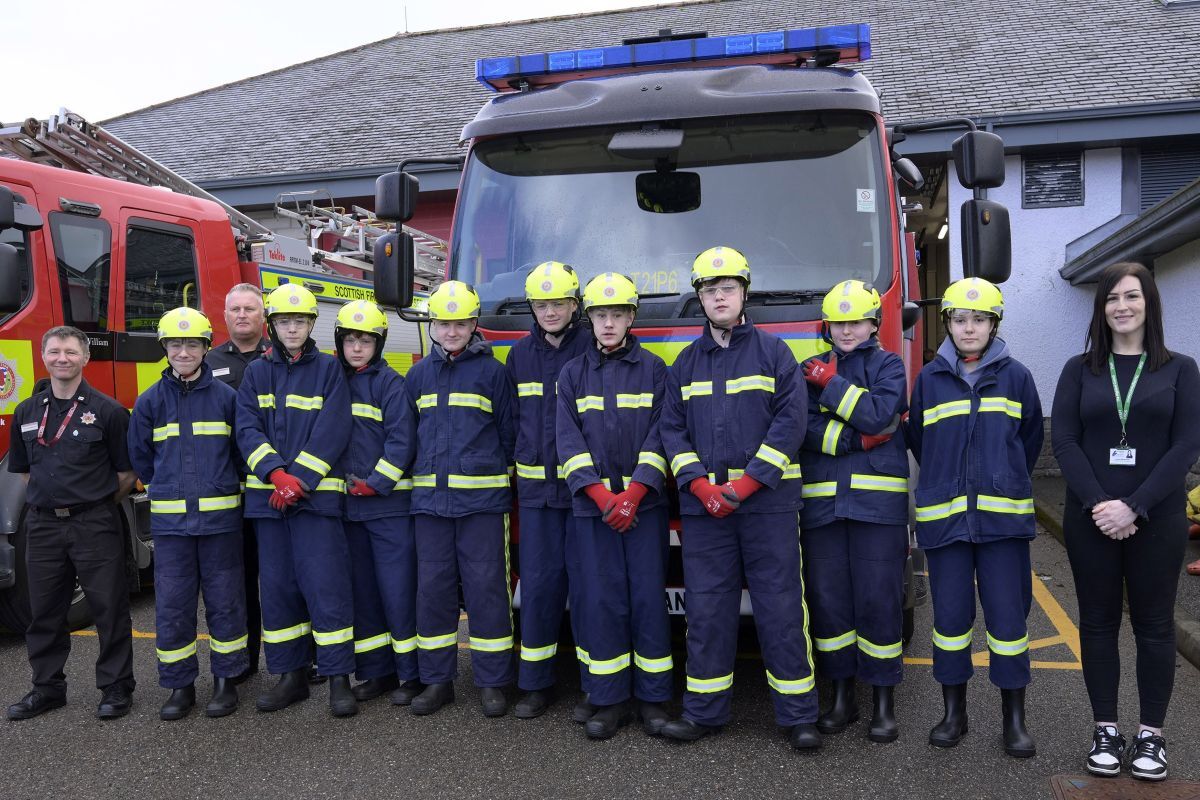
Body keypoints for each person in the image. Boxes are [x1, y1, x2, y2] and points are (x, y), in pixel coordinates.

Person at [659, 246, 819, 750]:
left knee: (780, 608)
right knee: (706, 611)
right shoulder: (684, 363)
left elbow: (790, 425)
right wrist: (702, 487)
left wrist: (746, 484)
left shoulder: (775, 354)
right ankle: (704, 712)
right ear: (701, 299)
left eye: (727, 287)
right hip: (706, 510)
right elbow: (672, 431)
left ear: (744, 292)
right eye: (709, 290)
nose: (719, 296)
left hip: (766, 505)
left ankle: (797, 716)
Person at [1050, 261, 1200, 782]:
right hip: (1089, 516)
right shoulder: (1079, 369)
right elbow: (1064, 442)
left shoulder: (1181, 369)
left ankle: (1151, 736)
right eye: (1112, 298)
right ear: (1101, 308)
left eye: (1132, 296)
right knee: (1096, 623)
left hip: (1155, 518)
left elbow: (1186, 445)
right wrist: (1101, 505)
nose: (1121, 306)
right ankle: (1106, 731)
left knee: (1156, 626)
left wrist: (1133, 506)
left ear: (1149, 303)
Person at [906, 277, 1042, 758]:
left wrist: (1001, 483)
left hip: (1002, 525)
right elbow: (923, 443)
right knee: (949, 622)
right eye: (960, 319)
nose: (969, 328)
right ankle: (954, 713)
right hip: (946, 525)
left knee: (1008, 624)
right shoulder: (928, 380)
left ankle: (1014, 719)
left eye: (979, 319)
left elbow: (1028, 445)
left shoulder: (1017, 377)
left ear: (994, 323)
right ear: (947, 323)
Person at [556, 272, 672, 740]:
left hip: (641, 509)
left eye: (617, 314)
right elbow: (568, 441)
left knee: (647, 601)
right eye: (600, 315)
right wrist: (603, 496)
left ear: (631, 318)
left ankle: (653, 698)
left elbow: (662, 433)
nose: (608, 323)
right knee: (601, 603)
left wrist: (635, 493)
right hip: (594, 509)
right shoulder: (572, 374)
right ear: (590, 319)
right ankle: (607, 701)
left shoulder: (655, 369)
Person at [236, 284, 357, 717]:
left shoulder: (328, 369)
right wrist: (275, 474)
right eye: (285, 321)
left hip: (315, 501)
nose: (292, 327)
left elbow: (334, 428)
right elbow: (246, 429)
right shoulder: (256, 372)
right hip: (269, 502)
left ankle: (339, 678)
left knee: (327, 589)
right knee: (279, 591)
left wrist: (298, 479)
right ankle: (290, 676)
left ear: (311, 325)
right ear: (272, 325)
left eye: (300, 321)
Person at [6, 326, 137, 720]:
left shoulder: (109, 411)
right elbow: (25, 472)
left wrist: (89, 504)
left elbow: (127, 475)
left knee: (108, 607)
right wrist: (55, 503)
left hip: (93, 523)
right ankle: (47, 688)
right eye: (54, 352)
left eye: (70, 352)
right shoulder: (26, 412)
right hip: (44, 526)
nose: (62, 358)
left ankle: (116, 687)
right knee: (43, 610)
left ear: (85, 359)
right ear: (44, 357)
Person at [798, 280, 908, 743]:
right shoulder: (807, 370)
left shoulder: (890, 364)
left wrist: (831, 386)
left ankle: (883, 703)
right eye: (839, 322)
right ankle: (841, 697)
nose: (846, 330)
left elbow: (881, 416)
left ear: (873, 324)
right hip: (823, 505)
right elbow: (802, 428)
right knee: (829, 603)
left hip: (877, 508)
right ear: (828, 325)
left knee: (879, 601)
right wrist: (854, 439)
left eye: (856, 321)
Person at [127, 307, 249, 720]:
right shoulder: (150, 402)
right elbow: (141, 458)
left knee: (226, 602)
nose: (183, 351)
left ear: (205, 348)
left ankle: (225, 682)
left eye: (192, 344)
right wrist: (166, 488)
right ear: (165, 348)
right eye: (175, 344)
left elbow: (240, 454)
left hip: (220, 523)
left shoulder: (228, 399)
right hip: (172, 527)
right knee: (174, 606)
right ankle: (179, 687)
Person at [404, 280, 517, 718]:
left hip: (483, 508)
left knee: (488, 592)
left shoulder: (494, 373)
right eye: (443, 323)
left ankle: (492, 682)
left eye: (460, 323)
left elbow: (509, 434)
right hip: (430, 506)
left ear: (474, 324)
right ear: (433, 325)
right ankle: (437, 682)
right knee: (432, 594)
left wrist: (489, 479)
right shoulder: (417, 375)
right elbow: (410, 438)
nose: (451, 331)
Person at [506, 261, 594, 721]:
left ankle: (591, 686)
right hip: (537, 494)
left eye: (558, 302)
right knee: (538, 588)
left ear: (574, 305)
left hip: (581, 492)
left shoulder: (592, 349)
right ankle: (536, 685)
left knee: (586, 589)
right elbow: (510, 421)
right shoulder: (518, 356)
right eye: (541, 304)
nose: (550, 311)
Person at [333, 300, 423, 706]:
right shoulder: (333, 381)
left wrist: (376, 483)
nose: (357, 348)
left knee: (398, 592)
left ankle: (411, 674)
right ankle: (375, 673)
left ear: (379, 344)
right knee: (364, 594)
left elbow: (402, 441)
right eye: (350, 340)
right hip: (349, 510)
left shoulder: (390, 384)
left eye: (365, 341)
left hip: (387, 508)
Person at [206, 283, 269, 682]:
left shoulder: (280, 356)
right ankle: (244, 660)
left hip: (277, 489)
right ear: (224, 316)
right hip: (231, 492)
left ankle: (309, 657)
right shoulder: (207, 362)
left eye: (250, 308)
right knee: (241, 579)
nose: (242, 315)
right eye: (235, 309)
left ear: (263, 317)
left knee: (291, 578)